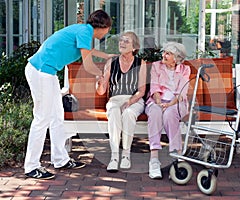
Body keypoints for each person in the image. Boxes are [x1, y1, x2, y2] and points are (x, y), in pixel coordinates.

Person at [24, 10, 115, 180]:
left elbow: (90, 53)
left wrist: (107, 56)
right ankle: (31, 166)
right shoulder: (85, 32)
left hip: (48, 73)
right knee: (42, 118)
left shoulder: (84, 32)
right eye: (108, 29)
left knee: (57, 116)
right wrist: (101, 75)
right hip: (40, 70)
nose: (108, 33)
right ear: (103, 27)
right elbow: (88, 64)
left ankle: (60, 160)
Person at [96, 31, 147, 172]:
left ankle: (126, 154)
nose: (122, 43)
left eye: (126, 41)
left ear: (134, 47)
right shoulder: (111, 62)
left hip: (135, 100)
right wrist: (99, 83)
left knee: (128, 114)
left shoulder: (140, 63)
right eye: (121, 40)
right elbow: (102, 91)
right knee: (113, 111)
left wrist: (130, 101)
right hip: (115, 99)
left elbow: (141, 90)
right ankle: (114, 156)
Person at [145, 42, 191, 179]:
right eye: (164, 52)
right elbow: (154, 87)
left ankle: (176, 156)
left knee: (170, 114)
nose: (163, 55)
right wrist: (159, 103)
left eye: (168, 53)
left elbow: (182, 91)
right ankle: (154, 159)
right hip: (157, 101)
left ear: (176, 58)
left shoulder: (185, 69)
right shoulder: (156, 66)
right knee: (155, 112)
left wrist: (170, 104)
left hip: (177, 102)